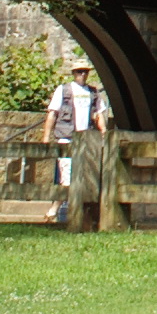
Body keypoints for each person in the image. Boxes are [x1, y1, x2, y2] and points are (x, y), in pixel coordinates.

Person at [43, 58, 109, 230]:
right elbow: (52, 114)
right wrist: (46, 137)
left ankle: (74, 215)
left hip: (87, 140)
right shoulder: (63, 90)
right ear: (73, 73)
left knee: (87, 177)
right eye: (79, 71)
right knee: (66, 177)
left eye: (85, 71)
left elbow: (99, 115)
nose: (82, 75)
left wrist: (103, 133)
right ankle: (55, 211)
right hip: (67, 138)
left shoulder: (93, 93)